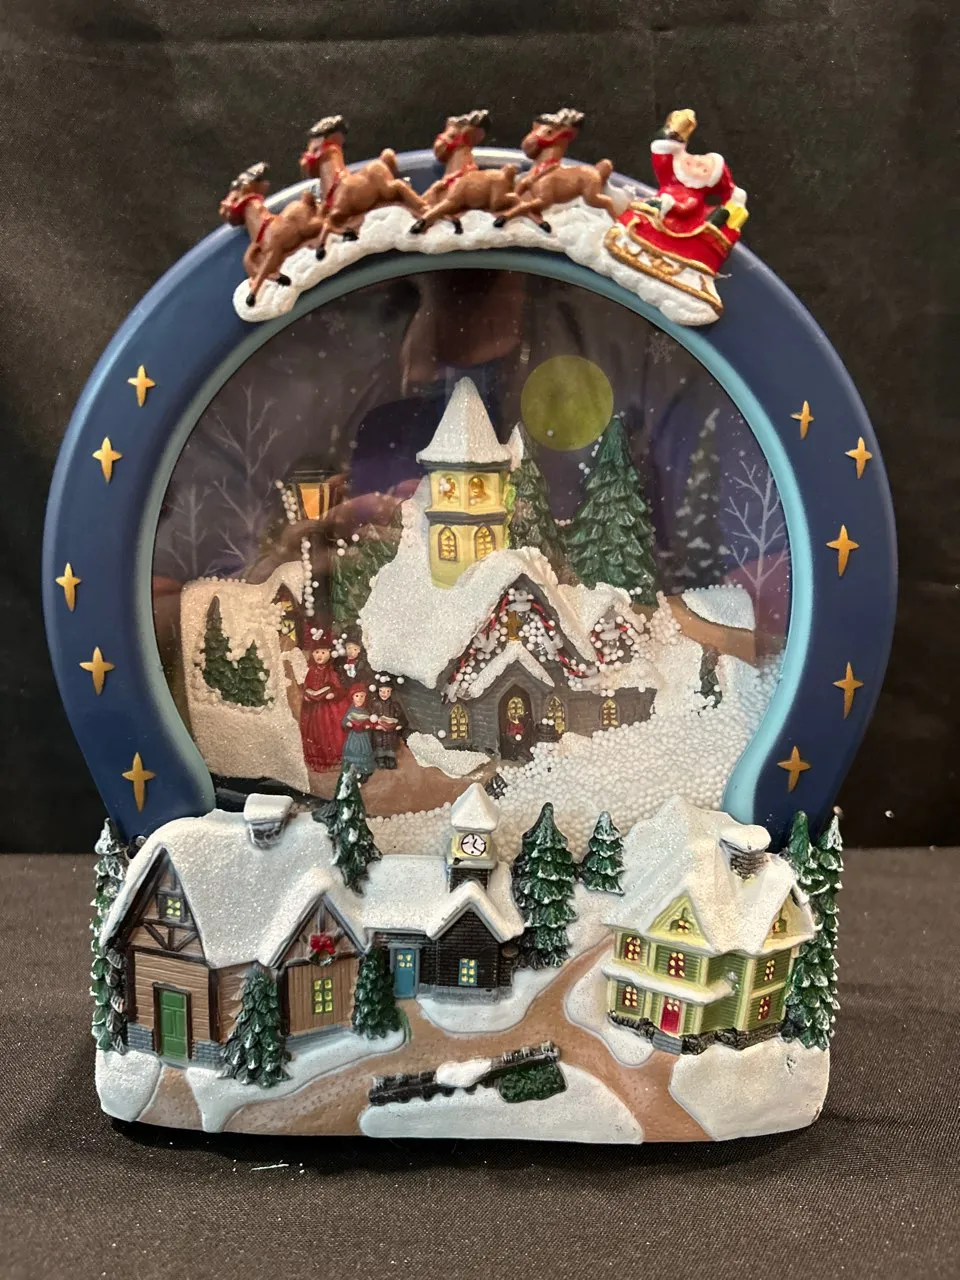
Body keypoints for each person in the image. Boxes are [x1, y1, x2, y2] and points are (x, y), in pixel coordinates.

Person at [299, 635, 347, 772]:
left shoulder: (330, 671)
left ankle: (330, 759)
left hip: (326, 709)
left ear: (329, 654)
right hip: (313, 710)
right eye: (316, 652)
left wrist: (333, 693)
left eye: (323, 652)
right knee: (315, 733)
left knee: (327, 732)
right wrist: (307, 694)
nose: (319, 655)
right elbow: (307, 686)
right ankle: (317, 759)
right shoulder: (311, 670)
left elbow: (338, 688)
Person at [370, 678, 406, 770]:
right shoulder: (375, 704)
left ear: (391, 692)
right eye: (381, 691)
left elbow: (401, 716)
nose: (384, 693)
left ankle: (390, 759)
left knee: (390, 745)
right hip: (379, 731)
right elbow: (370, 717)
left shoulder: (394, 704)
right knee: (379, 745)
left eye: (387, 691)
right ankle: (380, 759)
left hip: (391, 731)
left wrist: (400, 724)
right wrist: (375, 725)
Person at [341, 684, 376, 779]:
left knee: (364, 751)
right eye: (357, 696)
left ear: (365, 697)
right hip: (353, 736)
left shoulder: (366, 711)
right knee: (353, 750)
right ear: (352, 697)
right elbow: (344, 721)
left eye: (362, 696)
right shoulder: (351, 710)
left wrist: (368, 725)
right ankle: (352, 769)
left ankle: (364, 770)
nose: (359, 698)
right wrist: (347, 723)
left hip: (363, 736)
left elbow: (370, 722)